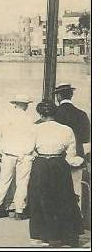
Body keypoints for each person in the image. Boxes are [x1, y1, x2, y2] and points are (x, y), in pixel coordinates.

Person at [28, 100, 83, 247]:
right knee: (63, 198)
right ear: (55, 112)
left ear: (40, 113)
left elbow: (28, 150)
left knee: (40, 198)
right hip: (59, 165)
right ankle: (65, 236)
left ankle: (42, 236)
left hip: (41, 165)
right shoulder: (66, 129)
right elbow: (71, 155)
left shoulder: (34, 129)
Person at [0, 95, 36, 219]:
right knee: (22, 182)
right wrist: (28, 151)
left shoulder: (5, 117)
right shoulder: (29, 119)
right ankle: (19, 210)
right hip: (24, 154)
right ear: (25, 105)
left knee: (4, 181)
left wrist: (1, 149)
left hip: (8, 153)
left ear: (15, 104)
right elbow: (33, 137)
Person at [53, 83, 91, 214]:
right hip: (77, 154)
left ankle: (58, 216)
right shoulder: (82, 114)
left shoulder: (54, 114)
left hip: (56, 155)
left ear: (58, 96)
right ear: (72, 95)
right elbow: (87, 138)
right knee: (76, 186)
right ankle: (76, 216)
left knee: (57, 187)